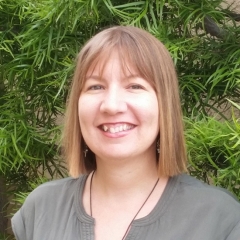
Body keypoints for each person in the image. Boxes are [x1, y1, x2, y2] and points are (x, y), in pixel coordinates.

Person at [12, 26, 240, 240]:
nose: (112, 105)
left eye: (135, 86)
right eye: (95, 86)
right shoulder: (40, 209)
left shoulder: (220, 219)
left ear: (164, 104)